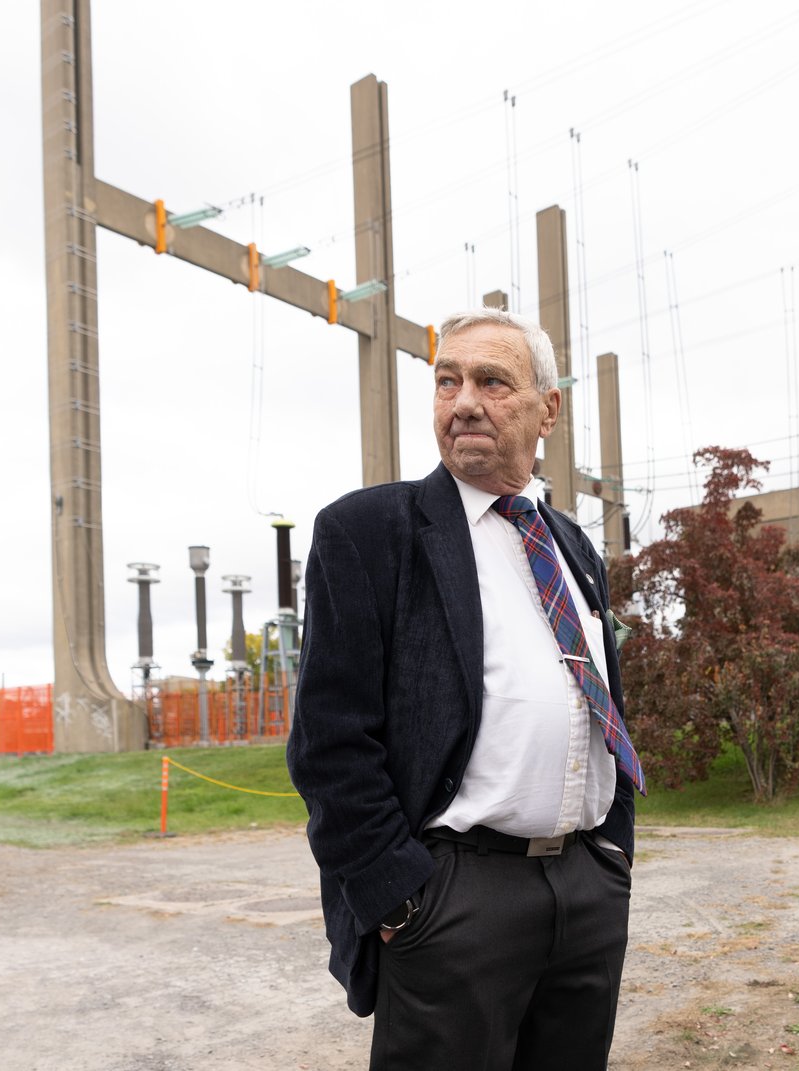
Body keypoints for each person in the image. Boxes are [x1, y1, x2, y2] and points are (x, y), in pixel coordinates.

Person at [287, 308, 644, 1071]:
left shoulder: (571, 543)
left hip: (584, 889)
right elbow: (330, 743)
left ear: (548, 407)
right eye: (447, 380)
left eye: (491, 380)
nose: (464, 401)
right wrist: (401, 897)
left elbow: (602, 704)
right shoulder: (369, 532)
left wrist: (612, 852)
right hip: (454, 902)